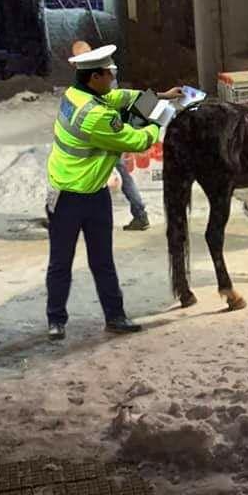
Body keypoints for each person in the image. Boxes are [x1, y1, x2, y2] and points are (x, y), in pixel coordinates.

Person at [45, 43, 165, 341]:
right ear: (94, 77)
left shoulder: (76, 94)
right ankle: (59, 320)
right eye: (109, 74)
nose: (113, 78)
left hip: (93, 194)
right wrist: (159, 121)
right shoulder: (95, 116)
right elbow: (135, 141)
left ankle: (111, 317)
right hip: (70, 198)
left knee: (96, 261)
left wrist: (156, 97)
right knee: (67, 262)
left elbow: (116, 97)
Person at [70, 41, 184, 231]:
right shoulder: (97, 77)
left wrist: (159, 115)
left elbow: (126, 103)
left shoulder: (96, 82)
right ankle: (138, 213)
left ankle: (80, 216)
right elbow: (129, 98)